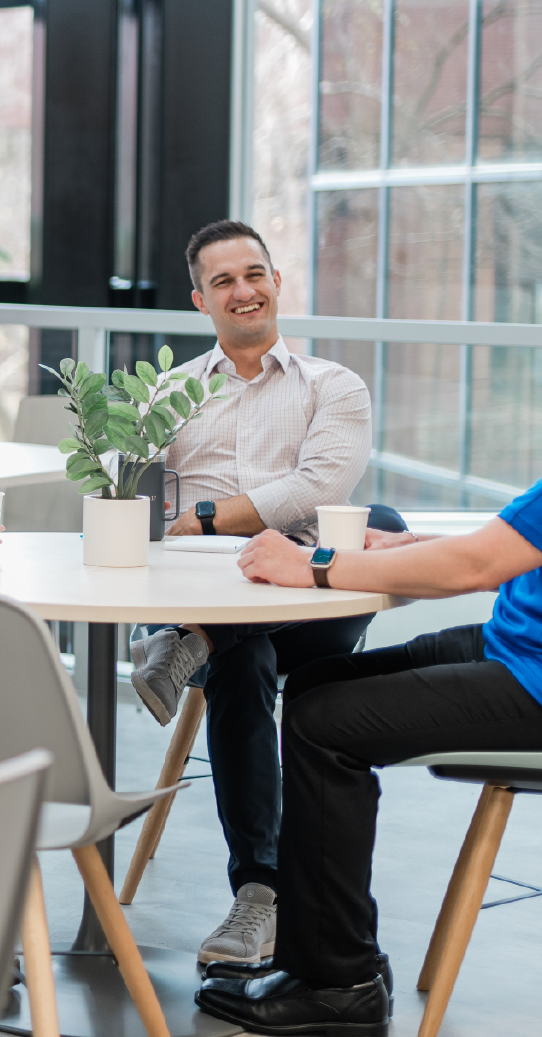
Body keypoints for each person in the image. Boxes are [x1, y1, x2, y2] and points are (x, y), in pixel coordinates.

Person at [192, 223, 542, 1036]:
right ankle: (315, 953)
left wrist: (318, 567)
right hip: (532, 651)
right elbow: (518, 538)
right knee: (319, 685)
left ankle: (342, 985)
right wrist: (407, 544)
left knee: (327, 723)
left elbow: (475, 573)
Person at [130, 219, 388, 968]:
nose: (243, 291)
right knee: (245, 665)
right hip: (201, 588)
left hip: (308, 601)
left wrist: (209, 517)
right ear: (198, 301)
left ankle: (189, 648)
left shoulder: (333, 386)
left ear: (277, 281)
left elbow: (320, 486)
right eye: (223, 281)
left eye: (255, 274)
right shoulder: (169, 397)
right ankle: (260, 896)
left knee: (354, 549)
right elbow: (140, 504)